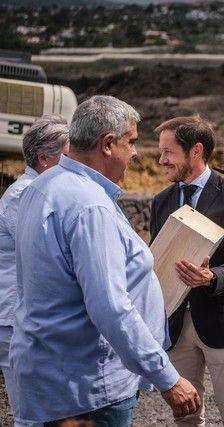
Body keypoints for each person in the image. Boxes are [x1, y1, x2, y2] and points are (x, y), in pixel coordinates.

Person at [11, 96, 200, 426]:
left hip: (49, 378)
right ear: (108, 144)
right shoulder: (89, 207)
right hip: (88, 389)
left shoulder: (42, 186)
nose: (137, 153)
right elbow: (111, 306)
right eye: (132, 142)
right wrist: (167, 378)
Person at [150, 115, 224, 427]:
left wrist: (212, 277)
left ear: (196, 151)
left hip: (222, 321)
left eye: (168, 152)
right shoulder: (161, 201)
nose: (161, 160)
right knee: (185, 418)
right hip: (176, 325)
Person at [0, 115, 70, 413]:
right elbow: (45, 251)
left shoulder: (39, 190)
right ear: (44, 158)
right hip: (15, 320)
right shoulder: (24, 195)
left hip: (27, 316)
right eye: (67, 156)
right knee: (29, 408)